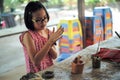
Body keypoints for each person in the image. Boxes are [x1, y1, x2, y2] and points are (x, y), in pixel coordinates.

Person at [19, 1, 64, 73]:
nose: (43, 22)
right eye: (38, 20)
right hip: (36, 74)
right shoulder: (28, 36)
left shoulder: (48, 32)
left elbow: (55, 56)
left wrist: (51, 41)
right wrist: (49, 42)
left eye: (45, 18)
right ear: (29, 20)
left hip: (49, 71)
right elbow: (35, 61)